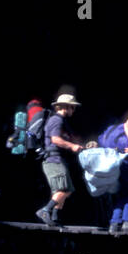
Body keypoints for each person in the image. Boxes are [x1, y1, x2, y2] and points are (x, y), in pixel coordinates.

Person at [36, 94, 86, 226]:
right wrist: (72, 146)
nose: (73, 111)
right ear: (65, 107)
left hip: (57, 160)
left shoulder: (62, 122)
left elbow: (70, 139)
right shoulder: (56, 120)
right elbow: (55, 140)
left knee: (64, 190)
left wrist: (82, 145)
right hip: (54, 160)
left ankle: (54, 217)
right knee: (63, 189)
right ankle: (45, 210)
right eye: (72, 107)